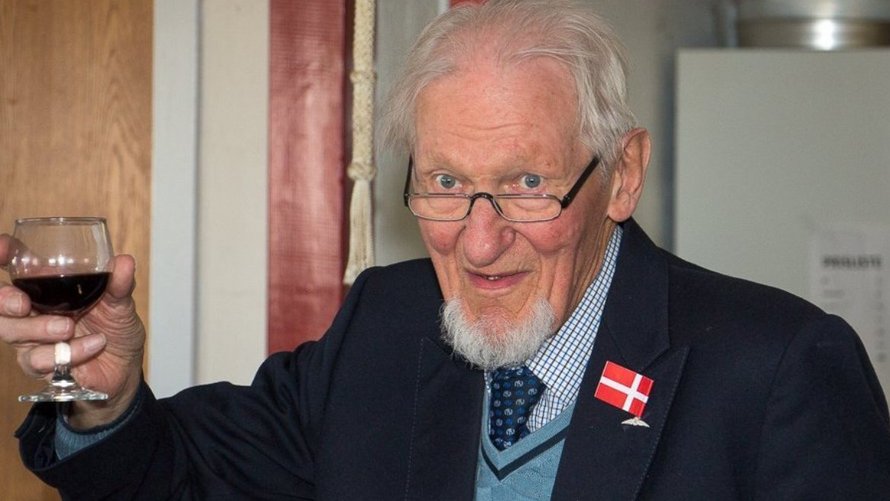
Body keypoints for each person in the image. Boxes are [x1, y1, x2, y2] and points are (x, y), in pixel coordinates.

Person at [3, 0, 890, 498]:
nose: (480, 239)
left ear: (621, 176)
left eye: (527, 184)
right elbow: (177, 477)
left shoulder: (779, 369)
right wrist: (103, 400)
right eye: (445, 182)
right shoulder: (385, 324)